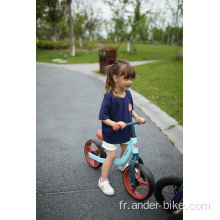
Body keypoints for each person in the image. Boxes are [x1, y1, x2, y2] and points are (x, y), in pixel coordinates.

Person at [98, 59, 146, 196]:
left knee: (126, 151)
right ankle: (103, 180)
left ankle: (123, 164)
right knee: (111, 155)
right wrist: (115, 124)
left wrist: (137, 117)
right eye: (126, 78)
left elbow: (130, 109)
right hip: (111, 132)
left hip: (125, 130)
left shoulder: (128, 93)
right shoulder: (110, 97)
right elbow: (103, 117)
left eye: (131, 78)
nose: (129, 82)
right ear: (115, 78)